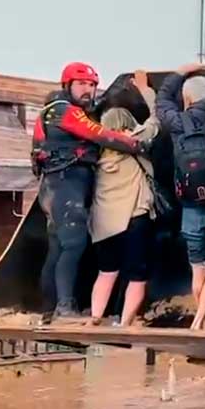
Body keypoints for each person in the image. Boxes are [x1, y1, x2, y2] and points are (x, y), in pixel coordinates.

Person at [31, 62, 143, 323]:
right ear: (66, 85)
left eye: (92, 85)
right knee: (73, 244)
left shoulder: (53, 110)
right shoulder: (64, 111)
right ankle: (65, 307)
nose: (88, 90)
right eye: (81, 84)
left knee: (59, 247)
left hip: (56, 185)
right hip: (65, 184)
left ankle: (49, 308)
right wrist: (134, 143)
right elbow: (100, 134)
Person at [87, 72, 162, 327]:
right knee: (137, 276)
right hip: (135, 217)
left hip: (104, 223)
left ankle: (95, 318)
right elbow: (156, 119)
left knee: (106, 272)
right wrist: (145, 89)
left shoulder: (96, 156)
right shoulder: (132, 140)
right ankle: (126, 322)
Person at [153, 63, 205, 330]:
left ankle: (200, 323)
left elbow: (161, 100)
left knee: (198, 269)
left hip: (190, 207)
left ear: (188, 98)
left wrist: (180, 71)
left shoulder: (178, 122)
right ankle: (201, 320)